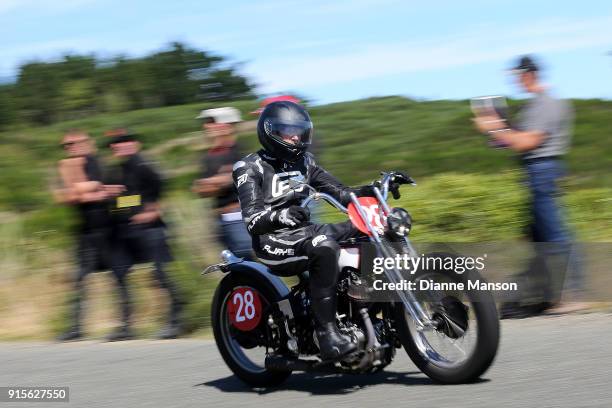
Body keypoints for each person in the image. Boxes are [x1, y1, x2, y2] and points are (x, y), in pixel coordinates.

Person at [232, 101, 409, 360]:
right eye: (286, 131)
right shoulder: (248, 167)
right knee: (324, 247)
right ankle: (328, 335)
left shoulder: (306, 162)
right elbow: (252, 220)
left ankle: (375, 308)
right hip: (271, 239)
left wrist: (378, 187)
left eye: (299, 130)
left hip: (305, 231)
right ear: (270, 131)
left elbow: (341, 192)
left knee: (372, 230)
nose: (295, 136)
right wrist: (281, 215)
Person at [473, 55, 586, 317]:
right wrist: (499, 130)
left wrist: (492, 129)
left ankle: (576, 295)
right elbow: (513, 141)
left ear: (528, 74)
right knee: (539, 238)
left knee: (556, 235)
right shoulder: (536, 105)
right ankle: (544, 296)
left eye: (516, 75)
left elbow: (527, 142)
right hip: (538, 171)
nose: (514, 80)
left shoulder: (546, 104)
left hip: (542, 170)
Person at [104, 129, 184, 340]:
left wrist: (153, 208)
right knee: (119, 274)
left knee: (160, 274)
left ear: (135, 144)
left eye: (125, 141)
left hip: (150, 230)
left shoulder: (144, 166)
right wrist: (110, 196)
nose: (120, 146)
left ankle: (176, 320)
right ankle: (126, 326)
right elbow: (126, 200)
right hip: (124, 231)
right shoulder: (116, 170)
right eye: (115, 143)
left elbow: (160, 186)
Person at [54, 130, 124, 341]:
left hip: (107, 229)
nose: (69, 148)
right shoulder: (69, 166)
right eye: (66, 146)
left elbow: (122, 193)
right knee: (79, 279)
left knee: (118, 277)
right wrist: (94, 190)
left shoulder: (98, 163)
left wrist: (88, 191)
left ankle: (124, 326)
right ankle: (76, 327)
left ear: (87, 143)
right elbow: (65, 195)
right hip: (85, 231)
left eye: (73, 143)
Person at [192, 107, 253, 260]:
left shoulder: (240, 152)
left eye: (211, 122)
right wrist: (215, 182)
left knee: (245, 260)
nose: (206, 126)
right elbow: (200, 190)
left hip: (239, 217)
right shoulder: (208, 156)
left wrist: (217, 181)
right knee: (235, 264)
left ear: (227, 126)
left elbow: (235, 178)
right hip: (220, 219)